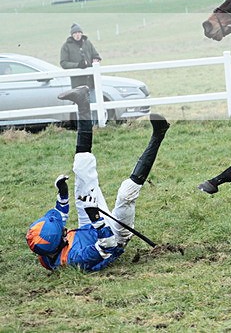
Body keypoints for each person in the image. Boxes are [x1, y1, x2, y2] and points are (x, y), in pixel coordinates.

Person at [25, 85, 169, 272]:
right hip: (113, 236)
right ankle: (159, 134)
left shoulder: (45, 246)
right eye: (62, 231)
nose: (64, 229)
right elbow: (107, 246)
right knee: (126, 194)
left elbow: (60, 216)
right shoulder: (74, 259)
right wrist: (96, 218)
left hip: (87, 228)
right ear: (59, 241)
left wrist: (63, 194)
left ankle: (82, 102)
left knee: (81, 167)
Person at [59, 23, 102, 90]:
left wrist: (96, 59)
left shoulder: (87, 43)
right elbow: (63, 63)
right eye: (75, 33)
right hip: (77, 82)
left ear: (81, 33)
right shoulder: (66, 46)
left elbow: (95, 55)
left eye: (79, 32)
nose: (77, 35)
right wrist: (78, 65)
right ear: (72, 34)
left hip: (91, 81)